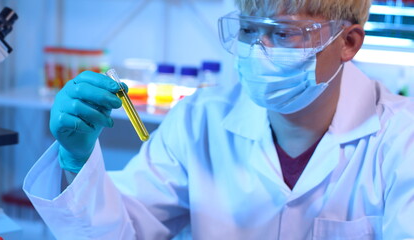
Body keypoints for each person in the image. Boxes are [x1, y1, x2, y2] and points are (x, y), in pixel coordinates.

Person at [24, 0, 414, 239]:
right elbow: (119, 233)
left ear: (348, 42)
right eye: (248, 30)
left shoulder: (402, 137)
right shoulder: (199, 120)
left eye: (283, 34)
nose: (258, 50)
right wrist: (77, 162)